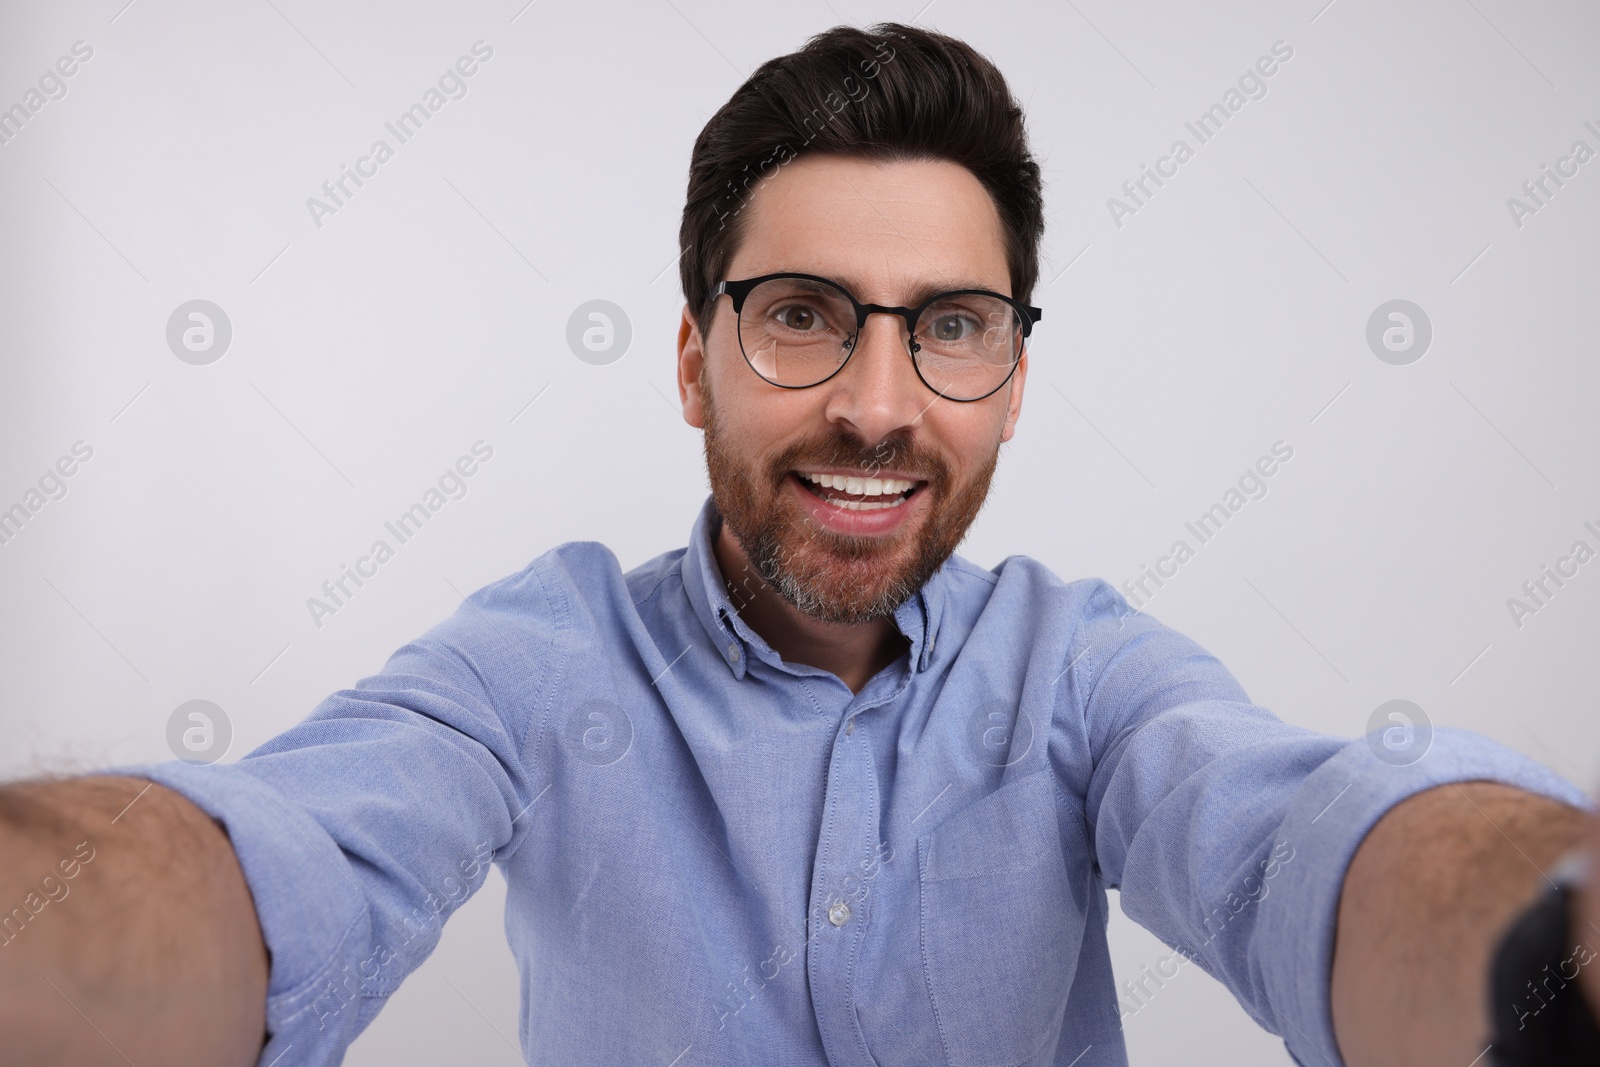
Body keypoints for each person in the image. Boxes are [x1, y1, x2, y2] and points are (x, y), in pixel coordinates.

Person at [1, 21, 1595, 1067]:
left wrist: (1556, 932)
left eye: (952, 328)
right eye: (803, 319)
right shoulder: (540, 663)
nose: (877, 406)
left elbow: (1292, 843)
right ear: (695, 358)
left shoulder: (1088, 671)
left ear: (1016, 379)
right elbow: (278, 869)